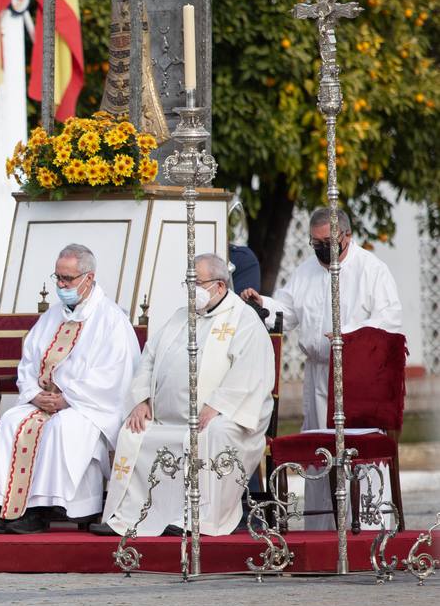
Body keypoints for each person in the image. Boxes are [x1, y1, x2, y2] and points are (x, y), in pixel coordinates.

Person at [240, 206, 403, 525]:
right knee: (320, 452)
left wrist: (348, 337)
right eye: (315, 243)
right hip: (317, 376)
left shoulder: (372, 270)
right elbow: (286, 310)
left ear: (346, 236)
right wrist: (262, 304)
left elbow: (389, 321)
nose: (320, 248)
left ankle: (367, 525)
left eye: (326, 241)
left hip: (357, 380)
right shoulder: (305, 272)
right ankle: (323, 528)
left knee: (354, 454)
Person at [96, 254, 274, 537]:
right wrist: (142, 400)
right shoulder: (180, 317)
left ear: (218, 285)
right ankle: (130, 516)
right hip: (170, 418)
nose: (192, 290)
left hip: (223, 418)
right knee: (133, 431)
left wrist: (216, 405)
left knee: (212, 435)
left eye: (197, 283)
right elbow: (149, 358)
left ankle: (198, 516)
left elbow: (251, 373)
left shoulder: (244, 320)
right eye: (188, 283)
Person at [0, 244, 137, 534]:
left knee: (62, 428)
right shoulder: (52, 316)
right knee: (11, 424)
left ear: (88, 278)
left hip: (88, 407)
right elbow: (27, 363)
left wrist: (67, 399)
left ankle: (41, 511)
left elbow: (114, 376)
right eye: (58, 278)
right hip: (44, 401)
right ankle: (3, 508)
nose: (61, 285)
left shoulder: (111, 320)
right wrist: (34, 394)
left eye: (68, 279)